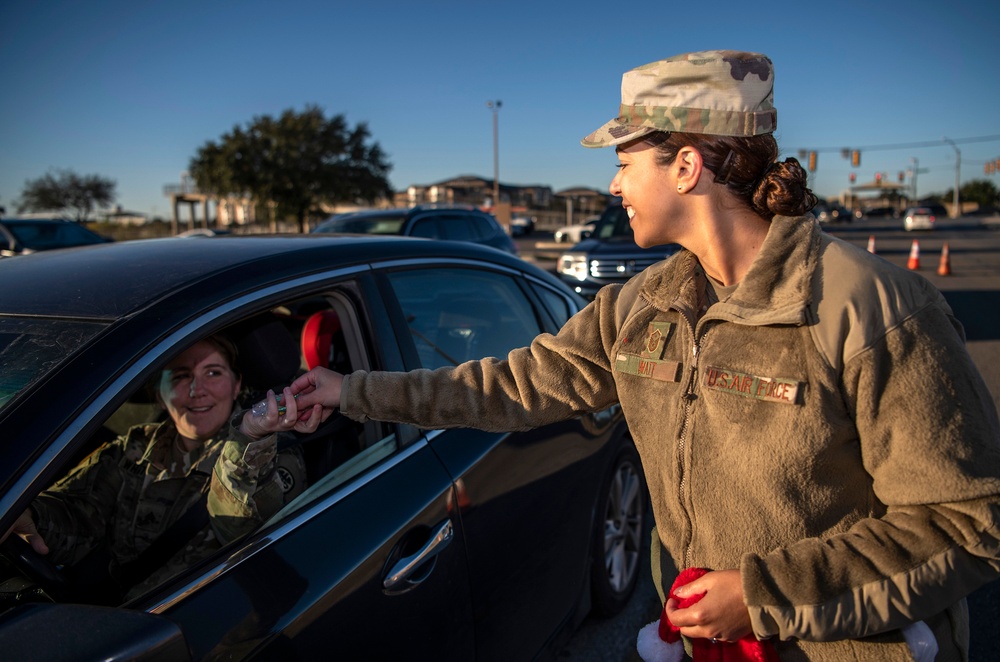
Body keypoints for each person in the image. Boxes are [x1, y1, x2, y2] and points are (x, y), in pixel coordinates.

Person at [286, 51, 1000, 660]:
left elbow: (966, 523)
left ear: (686, 166)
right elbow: (509, 386)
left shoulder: (870, 306)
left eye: (626, 162)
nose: (614, 185)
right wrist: (351, 392)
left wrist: (762, 597)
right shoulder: (640, 307)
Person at [5, 334, 322, 601]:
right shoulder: (136, 446)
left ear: (237, 385)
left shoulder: (269, 450)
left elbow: (248, 539)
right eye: (182, 376)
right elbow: (80, 510)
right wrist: (31, 516)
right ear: (159, 392)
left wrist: (248, 441)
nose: (197, 390)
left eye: (213, 373)